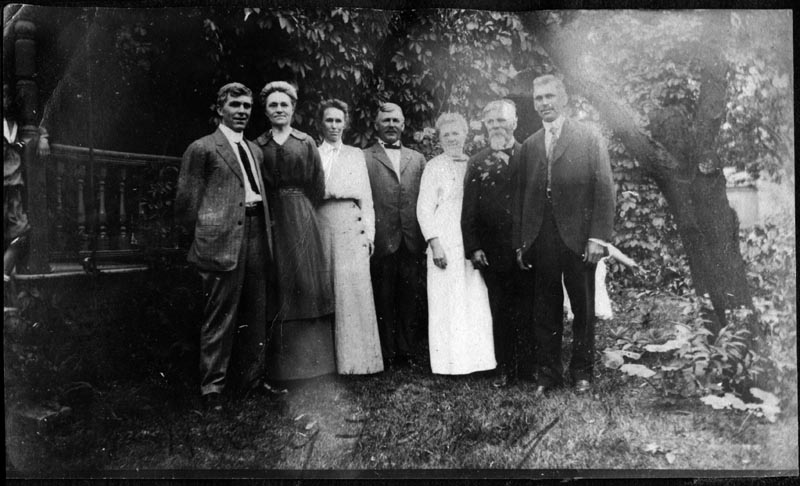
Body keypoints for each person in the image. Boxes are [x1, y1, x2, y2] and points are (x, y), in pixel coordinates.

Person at [174, 82, 274, 410]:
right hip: (221, 239)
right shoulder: (202, 148)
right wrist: (204, 238)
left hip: (257, 230)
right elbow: (187, 204)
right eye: (235, 105)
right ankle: (212, 389)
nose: (243, 111)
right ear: (220, 109)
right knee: (220, 314)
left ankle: (253, 381)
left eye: (247, 106)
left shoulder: (254, 150)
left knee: (256, 311)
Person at [513, 75, 616, 395]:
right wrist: (521, 242)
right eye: (538, 98)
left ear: (564, 98)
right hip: (542, 237)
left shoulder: (588, 137)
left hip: (579, 237)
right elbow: (520, 198)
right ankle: (548, 374)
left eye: (549, 97)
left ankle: (582, 372)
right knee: (544, 307)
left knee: (583, 307)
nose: (544, 103)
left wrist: (598, 238)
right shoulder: (529, 145)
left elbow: (604, 188)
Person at [256, 81, 336, 381]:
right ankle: (281, 368)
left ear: (293, 109)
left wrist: (299, 207)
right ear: (266, 110)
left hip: (302, 217)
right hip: (271, 220)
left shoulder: (305, 143)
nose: (279, 110)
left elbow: (317, 186)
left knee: (307, 282)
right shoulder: (258, 145)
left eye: (284, 105)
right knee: (278, 284)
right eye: (273, 105)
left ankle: (315, 366)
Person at [462, 99, 536, 387]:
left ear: (514, 123)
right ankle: (505, 367)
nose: (495, 126)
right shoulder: (477, 161)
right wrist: (474, 247)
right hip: (492, 251)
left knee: (527, 307)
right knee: (500, 308)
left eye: (501, 120)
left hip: (525, 247)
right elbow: (468, 210)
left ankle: (528, 368)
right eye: (490, 121)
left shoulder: (529, 156)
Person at [417, 113, 495, 375]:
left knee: (474, 296)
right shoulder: (433, 166)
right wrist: (435, 244)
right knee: (446, 300)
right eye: (446, 134)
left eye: (456, 133)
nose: (452, 138)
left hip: (471, 238)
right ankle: (449, 363)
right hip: (445, 238)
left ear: (465, 135)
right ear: (439, 139)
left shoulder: (475, 163)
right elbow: (424, 209)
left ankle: (479, 362)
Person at [315, 98, 383, 375]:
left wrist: (370, 234)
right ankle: (325, 365)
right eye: (329, 120)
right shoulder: (313, 153)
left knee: (353, 291)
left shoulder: (356, 155)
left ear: (345, 123)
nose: (334, 126)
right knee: (325, 289)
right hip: (321, 221)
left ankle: (358, 363)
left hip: (350, 225)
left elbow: (366, 197)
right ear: (321, 123)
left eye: (338, 120)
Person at [363, 102, 426, 369]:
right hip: (382, 239)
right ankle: (387, 353)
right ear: (376, 125)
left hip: (411, 239)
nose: (391, 125)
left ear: (403, 124)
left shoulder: (418, 158)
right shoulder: (364, 157)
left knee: (409, 297)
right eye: (385, 120)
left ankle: (407, 351)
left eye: (395, 121)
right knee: (383, 297)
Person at [4, 81, 50, 286]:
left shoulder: (19, 125)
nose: (5, 101)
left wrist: (43, 137)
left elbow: (39, 126)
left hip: (13, 187)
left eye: (8, 97)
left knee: (21, 232)